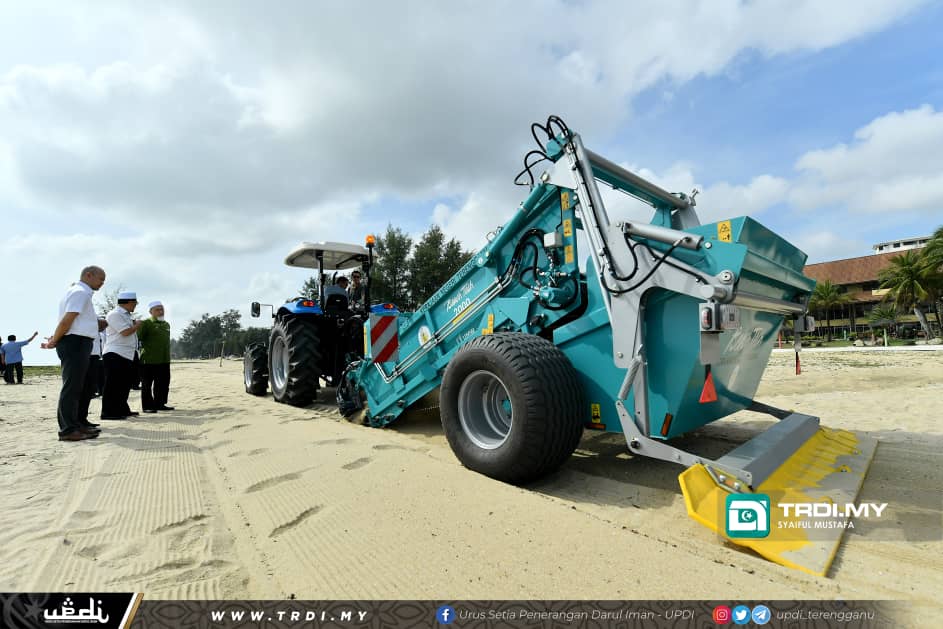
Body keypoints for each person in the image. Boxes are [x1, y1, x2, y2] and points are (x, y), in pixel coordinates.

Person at [43, 266, 106, 441]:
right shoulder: (80, 292)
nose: (102, 283)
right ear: (88, 275)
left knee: (77, 387)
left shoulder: (80, 292)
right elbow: (67, 320)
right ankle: (67, 429)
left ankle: (76, 424)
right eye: (100, 279)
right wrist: (54, 340)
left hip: (80, 342)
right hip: (75, 342)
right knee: (71, 387)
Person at [101, 291, 143, 420]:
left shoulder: (126, 315)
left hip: (127, 354)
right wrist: (137, 325)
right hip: (115, 353)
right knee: (113, 385)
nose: (135, 305)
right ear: (129, 302)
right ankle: (108, 412)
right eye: (134, 302)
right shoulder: (115, 314)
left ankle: (122, 409)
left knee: (124, 385)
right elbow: (125, 332)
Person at [138, 300, 174, 413]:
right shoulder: (146, 323)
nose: (160, 311)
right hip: (148, 360)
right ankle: (148, 406)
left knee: (163, 383)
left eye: (162, 309)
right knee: (147, 385)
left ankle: (160, 404)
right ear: (151, 312)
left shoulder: (166, 324)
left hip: (164, 359)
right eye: (157, 309)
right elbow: (139, 338)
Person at [77, 318, 108, 428]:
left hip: (95, 355)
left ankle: (83, 419)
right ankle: (77, 420)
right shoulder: (85, 316)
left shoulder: (92, 316)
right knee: (82, 388)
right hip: (85, 354)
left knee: (89, 389)